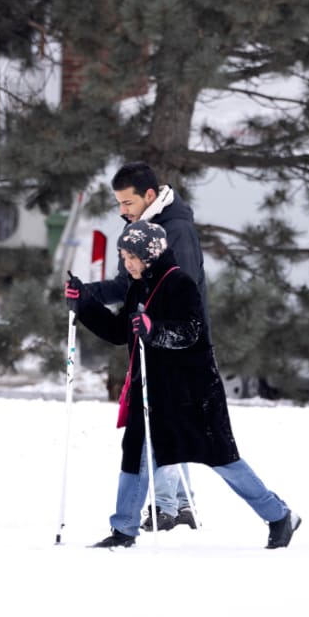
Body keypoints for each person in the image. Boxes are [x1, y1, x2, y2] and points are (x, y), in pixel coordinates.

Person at [69, 221, 301, 549]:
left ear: (149, 255)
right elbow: (121, 332)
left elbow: (190, 331)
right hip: (150, 387)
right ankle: (124, 530)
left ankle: (279, 516)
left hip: (192, 391)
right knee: (135, 454)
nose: (127, 264)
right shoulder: (138, 286)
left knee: (222, 459)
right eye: (123, 257)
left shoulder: (179, 283)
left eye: (131, 257)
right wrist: (86, 305)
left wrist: (155, 328)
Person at [73, 161, 207, 532]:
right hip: (149, 335)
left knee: (157, 421)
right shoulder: (140, 228)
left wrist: (161, 329)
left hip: (175, 339)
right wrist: (87, 294)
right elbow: (125, 285)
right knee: (166, 419)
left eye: (127, 203)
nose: (122, 211)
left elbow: (182, 290)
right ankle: (180, 504)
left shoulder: (175, 230)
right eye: (118, 204)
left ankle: (166, 506)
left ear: (149, 196)